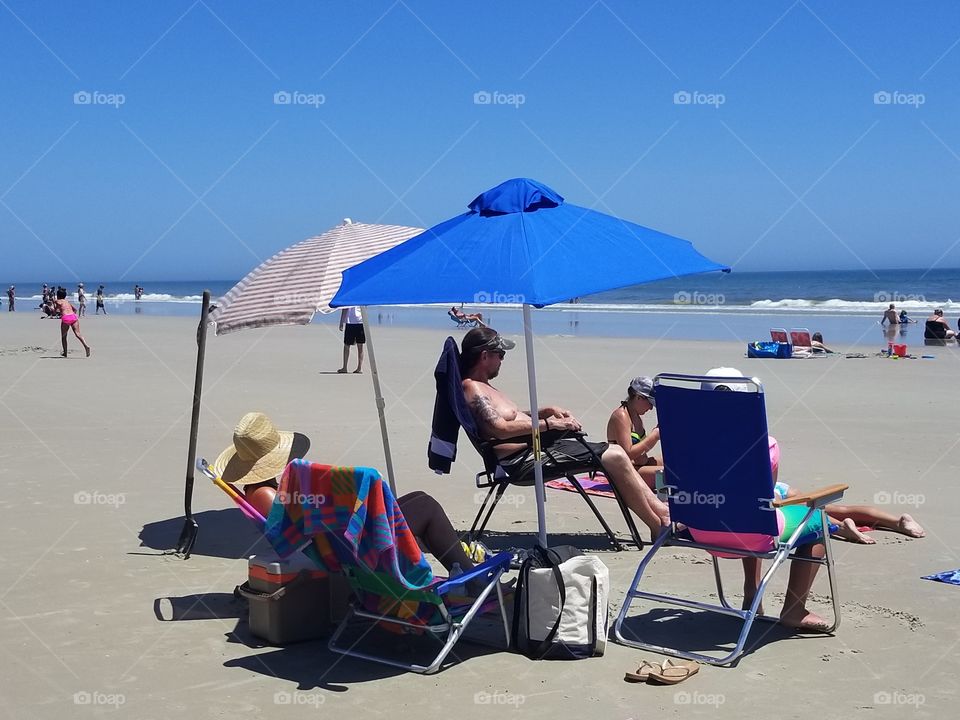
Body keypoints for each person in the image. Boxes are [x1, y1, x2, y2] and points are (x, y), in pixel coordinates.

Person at [459, 327, 669, 540]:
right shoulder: (472, 388)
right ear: (484, 356)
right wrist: (550, 424)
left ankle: (662, 514)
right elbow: (499, 429)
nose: (502, 360)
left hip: (536, 449)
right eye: (500, 354)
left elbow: (511, 418)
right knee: (615, 456)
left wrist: (546, 411)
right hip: (523, 461)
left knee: (616, 452)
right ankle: (656, 524)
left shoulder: (485, 387)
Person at [215, 412, 474, 574]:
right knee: (427, 507)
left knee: (418, 498)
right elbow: (302, 532)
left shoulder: (257, 491)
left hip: (336, 544)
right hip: (348, 551)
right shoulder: (265, 495)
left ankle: (459, 569)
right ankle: (469, 579)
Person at [606, 377, 661, 489]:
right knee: (669, 474)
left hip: (637, 467)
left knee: (676, 462)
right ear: (638, 397)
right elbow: (628, 454)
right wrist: (654, 436)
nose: (651, 408)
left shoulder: (636, 416)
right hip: (623, 472)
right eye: (650, 403)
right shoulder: (621, 416)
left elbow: (641, 454)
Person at [54, 288, 91, 357]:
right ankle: (86, 346)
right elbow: (75, 310)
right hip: (73, 316)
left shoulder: (57, 301)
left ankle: (65, 353)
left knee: (64, 337)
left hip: (66, 318)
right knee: (78, 334)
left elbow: (55, 311)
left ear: (58, 295)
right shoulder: (67, 302)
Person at [337, 306, 365, 373]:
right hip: (351, 322)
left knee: (359, 346)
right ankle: (345, 367)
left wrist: (341, 322)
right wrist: (342, 321)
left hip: (359, 322)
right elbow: (345, 308)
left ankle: (359, 367)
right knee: (348, 345)